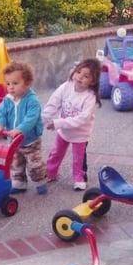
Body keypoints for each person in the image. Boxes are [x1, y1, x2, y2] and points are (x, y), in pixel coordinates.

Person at [42, 58, 101, 191]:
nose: (80, 77)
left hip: (80, 134)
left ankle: (78, 178)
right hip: (63, 131)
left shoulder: (90, 97)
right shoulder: (66, 86)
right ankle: (51, 173)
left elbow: (82, 119)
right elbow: (53, 102)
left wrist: (58, 123)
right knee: (56, 152)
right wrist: (45, 118)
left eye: (86, 76)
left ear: (92, 81)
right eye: (79, 71)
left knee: (78, 158)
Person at [0, 61, 47, 195]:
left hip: (30, 141)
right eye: (8, 83)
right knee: (16, 163)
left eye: (15, 83)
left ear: (27, 83)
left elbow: (31, 119)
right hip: (13, 141)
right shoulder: (8, 100)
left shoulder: (32, 100)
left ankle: (40, 180)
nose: (10, 87)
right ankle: (19, 183)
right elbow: (1, 113)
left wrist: (19, 129)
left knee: (34, 165)